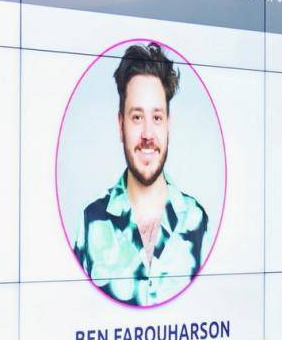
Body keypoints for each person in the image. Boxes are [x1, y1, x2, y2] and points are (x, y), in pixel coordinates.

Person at [74, 43, 209, 306]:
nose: (147, 134)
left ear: (168, 125)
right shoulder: (89, 224)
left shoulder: (198, 222)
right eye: (137, 117)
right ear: (120, 125)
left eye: (156, 118)